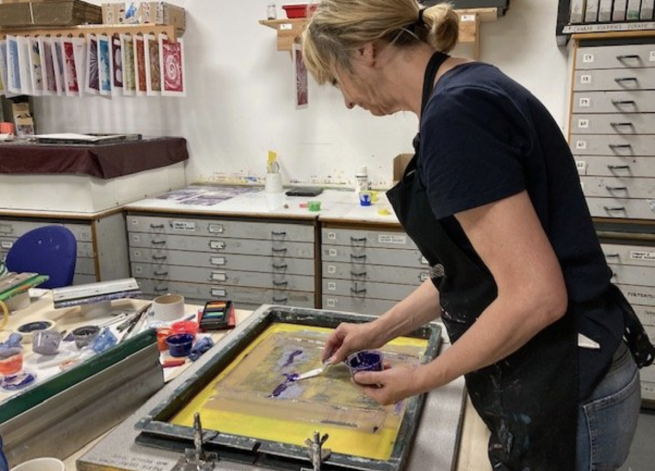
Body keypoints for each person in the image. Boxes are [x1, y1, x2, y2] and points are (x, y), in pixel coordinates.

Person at [301, 1, 655, 470]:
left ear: (365, 50)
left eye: (335, 79)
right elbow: (471, 274)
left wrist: (421, 377)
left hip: (569, 386)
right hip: (571, 368)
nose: (346, 99)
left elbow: (535, 296)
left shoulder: (456, 117)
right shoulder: (467, 87)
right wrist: (376, 331)